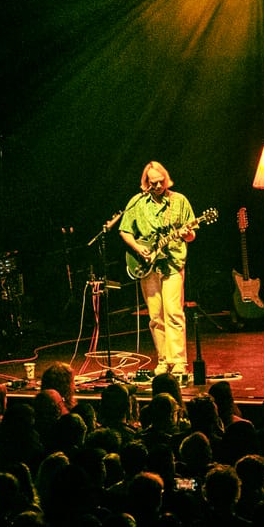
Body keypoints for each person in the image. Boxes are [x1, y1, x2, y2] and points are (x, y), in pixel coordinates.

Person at [118, 161, 197, 381]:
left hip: (172, 263)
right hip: (147, 265)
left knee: (174, 313)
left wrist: (187, 234)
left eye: (161, 181)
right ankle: (163, 360)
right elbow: (124, 230)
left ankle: (178, 362)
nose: (159, 186)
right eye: (153, 183)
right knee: (155, 316)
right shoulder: (137, 202)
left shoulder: (179, 201)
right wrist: (138, 247)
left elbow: (192, 234)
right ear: (146, 183)